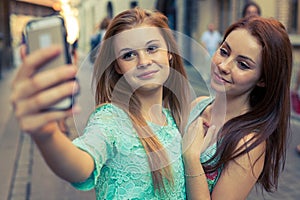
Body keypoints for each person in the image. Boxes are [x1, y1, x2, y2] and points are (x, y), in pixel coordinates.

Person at [10, 8, 191, 199]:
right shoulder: (111, 119)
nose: (144, 61)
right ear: (117, 67)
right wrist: (46, 134)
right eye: (128, 55)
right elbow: (80, 166)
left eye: (152, 48)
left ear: (170, 53)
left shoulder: (174, 120)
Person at [183, 16, 292, 199]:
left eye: (242, 65)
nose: (223, 66)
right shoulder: (197, 105)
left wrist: (191, 159)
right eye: (224, 52)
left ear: (263, 80)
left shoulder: (249, 144)